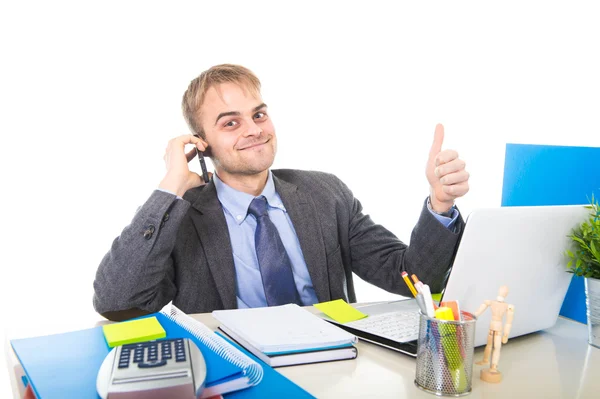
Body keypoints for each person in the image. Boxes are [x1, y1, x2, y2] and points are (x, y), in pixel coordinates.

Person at [93, 64, 470, 321]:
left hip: (333, 368)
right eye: (230, 123)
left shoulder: (325, 193)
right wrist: (171, 186)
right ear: (201, 144)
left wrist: (440, 203)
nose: (254, 129)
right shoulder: (182, 216)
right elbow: (117, 302)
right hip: (234, 370)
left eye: (258, 115)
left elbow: (416, 278)